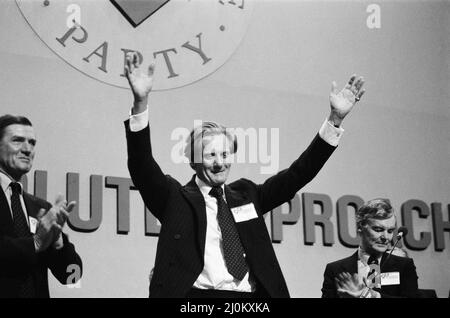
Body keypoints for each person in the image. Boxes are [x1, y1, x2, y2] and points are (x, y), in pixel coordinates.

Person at [124, 52, 365, 298]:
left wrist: (334, 121)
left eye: (225, 154)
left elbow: (298, 174)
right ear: (194, 162)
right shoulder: (175, 198)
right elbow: (142, 167)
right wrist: (140, 103)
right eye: (211, 156)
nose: (220, 163)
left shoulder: (247, 194)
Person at [0, 115, 82, 298]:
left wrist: (59, 243)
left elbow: (73, 278)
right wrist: (36, 242)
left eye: (32, 143)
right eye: (17, 141)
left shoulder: (41, 208)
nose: (27, 149)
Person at [321, 199, 419, 298]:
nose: (385, 237)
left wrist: (372, 296)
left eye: (390, 231)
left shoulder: (404, 266)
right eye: (378, 230)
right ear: (360, 228)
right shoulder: (335, 270)